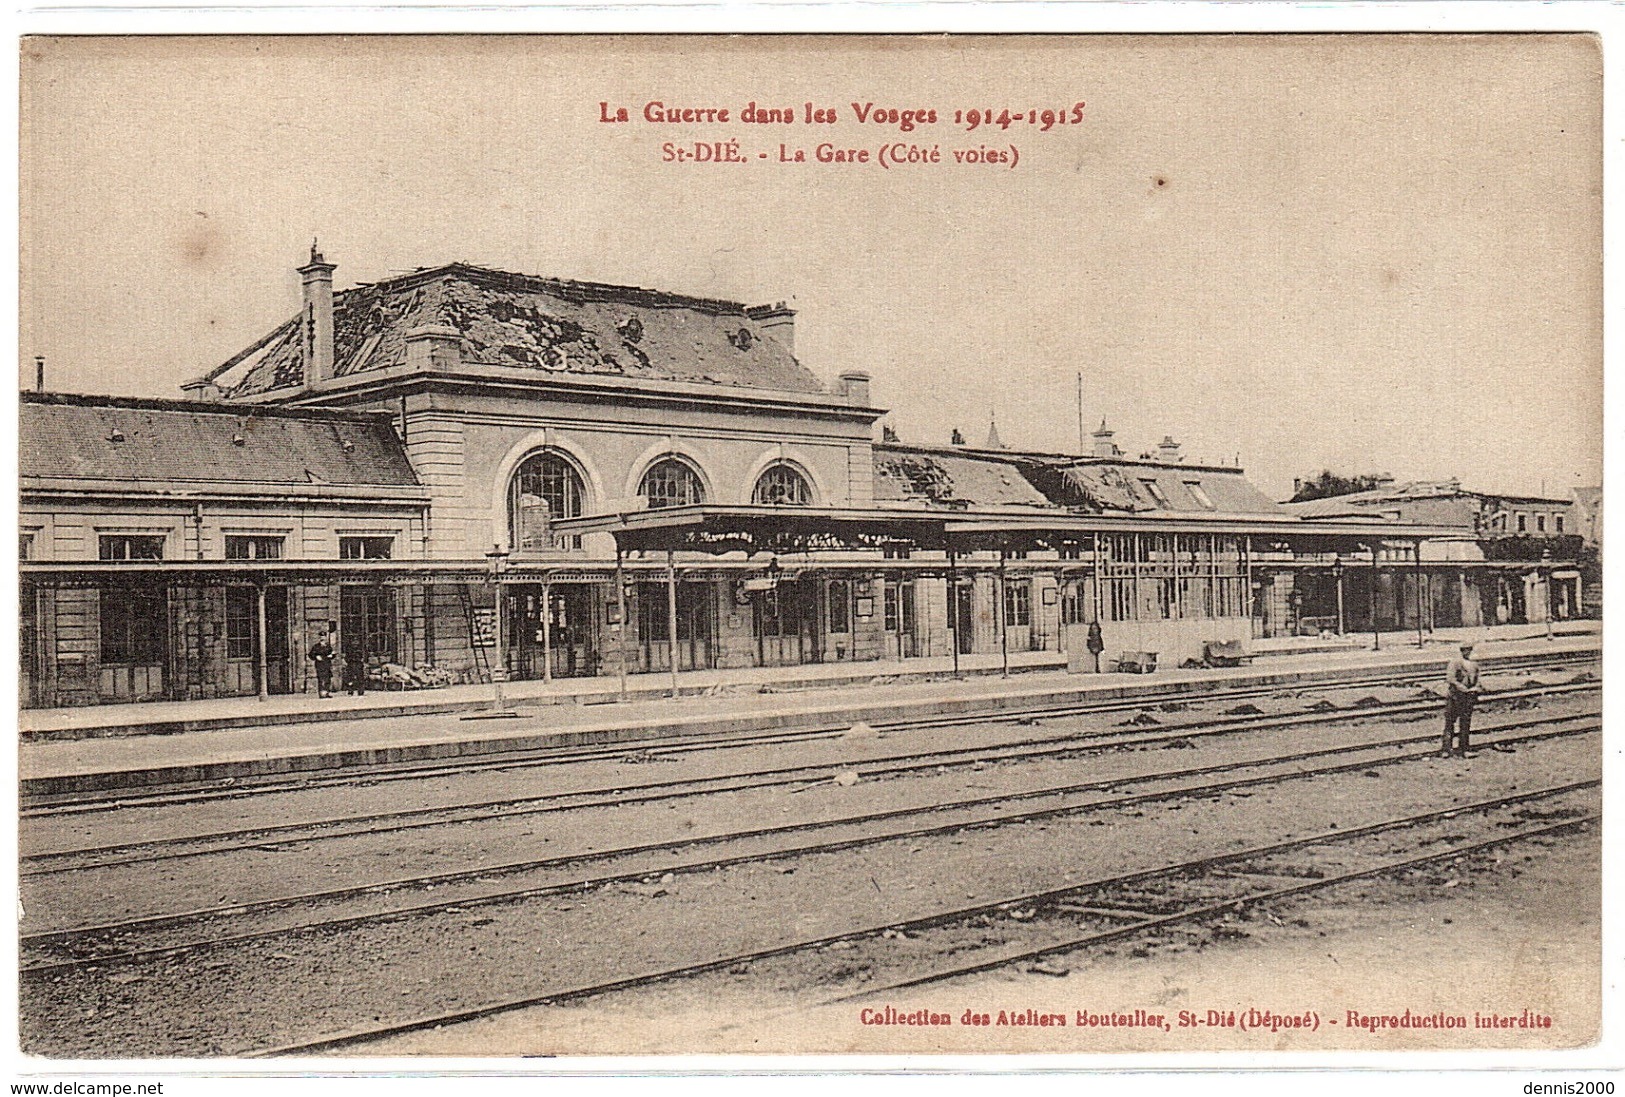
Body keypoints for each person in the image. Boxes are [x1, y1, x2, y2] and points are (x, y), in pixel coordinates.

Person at [1442, 641, 1481, 756]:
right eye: (1465, 650)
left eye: (1469, 650)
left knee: (1465, 724)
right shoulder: (1455, 663)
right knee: (1450, 723)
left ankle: (1464, 748)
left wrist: (1475, 688)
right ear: (1461, 651)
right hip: (1455, 697)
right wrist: (1463, 688)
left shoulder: (1474, 665)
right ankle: (1446, 749)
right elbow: (1451, 679)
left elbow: (1477, 679)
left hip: (1467, 698)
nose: (1467, 652)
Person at [309, 628, 335, 698]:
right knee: (321, 679)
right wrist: (316, 656)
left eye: (324, 637)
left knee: (328, 679)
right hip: (320, 665)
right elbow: (311, 655)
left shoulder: (328, 646)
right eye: (321, 637)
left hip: (327, 664)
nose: (323, 639)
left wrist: (332, 655)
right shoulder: (316, 647)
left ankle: (326, 692)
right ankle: (322, 693)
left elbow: (332, 654)